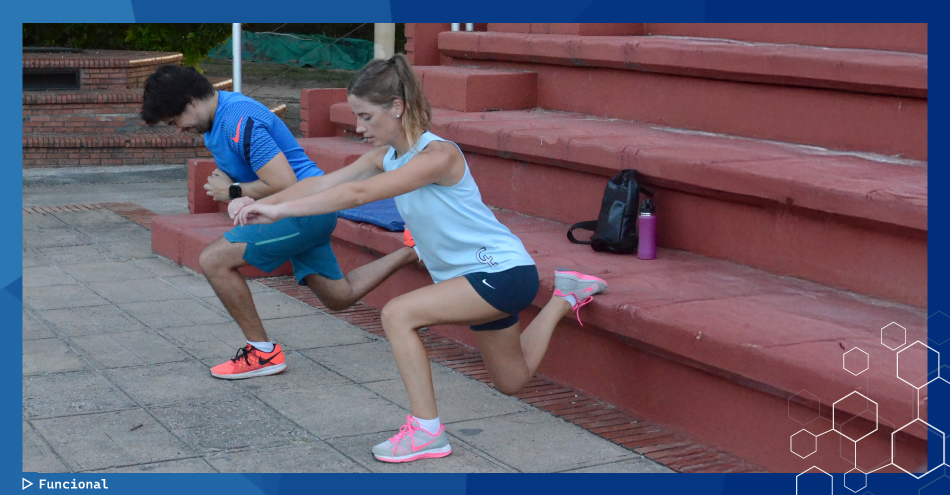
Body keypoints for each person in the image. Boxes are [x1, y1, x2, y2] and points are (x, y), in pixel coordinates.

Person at [230, 54, 608, 463]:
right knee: (511, 381)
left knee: (398, 313)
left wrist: (278, 212)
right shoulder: (383, 157)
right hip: (470, 280)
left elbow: (356, 196)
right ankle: (565, 296)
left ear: (397, 107)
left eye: (366, 116)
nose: (358, 127)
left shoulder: (438, 156)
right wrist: (257, 200)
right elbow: (322, 184)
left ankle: (427, 432)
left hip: (500, 271)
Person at [141, 65, 419, 380]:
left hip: (303, 210)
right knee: (339, 296)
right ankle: (412, 249)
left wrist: (231, 190)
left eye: (176, 121)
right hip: (304, 209)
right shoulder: (215, 123)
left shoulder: (237, 120)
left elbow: (282, 180)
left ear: (192, 102)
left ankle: (262, 353)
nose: (178, 130)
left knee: (214, 260)